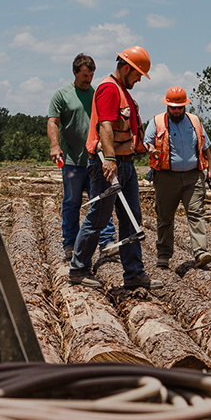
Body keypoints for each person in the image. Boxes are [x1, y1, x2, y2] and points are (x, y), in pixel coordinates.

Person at [68, 46, 163, 290]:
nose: (140, 79)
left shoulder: (124, 92)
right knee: (99, 218)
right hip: (108, 165)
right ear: (127, 68)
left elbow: (127, 131)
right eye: (138, 74)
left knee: (132, 219)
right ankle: (78, 270)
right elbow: (106, 126)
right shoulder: (109, 89)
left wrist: (145, 148)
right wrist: (109, 159)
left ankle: (134, 274)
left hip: (126, 165)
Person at [47, 53, 117, 261]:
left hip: (94, 159)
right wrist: (54, 146)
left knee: (101, 200)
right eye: (85, 75)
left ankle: (107, 242)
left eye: (91, 75)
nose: (89, 80)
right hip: (71, 161)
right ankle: (70, 244)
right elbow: (53, 122)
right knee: (72, 202)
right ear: (75, 72)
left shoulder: (96, 95)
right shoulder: (62, 94)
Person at [143, 86, 211, 269]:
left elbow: (205, 146)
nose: (176, 110)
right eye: (173, 107)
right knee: (165, 217)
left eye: (179, 107)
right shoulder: (157, 122)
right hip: (167, 177)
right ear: (168, 105)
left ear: (184, 106)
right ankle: (164, 256)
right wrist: (150, 148)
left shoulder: (194, 121)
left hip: (193, 176)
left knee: (196, 213)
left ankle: (201, 252)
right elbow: (146, 143)